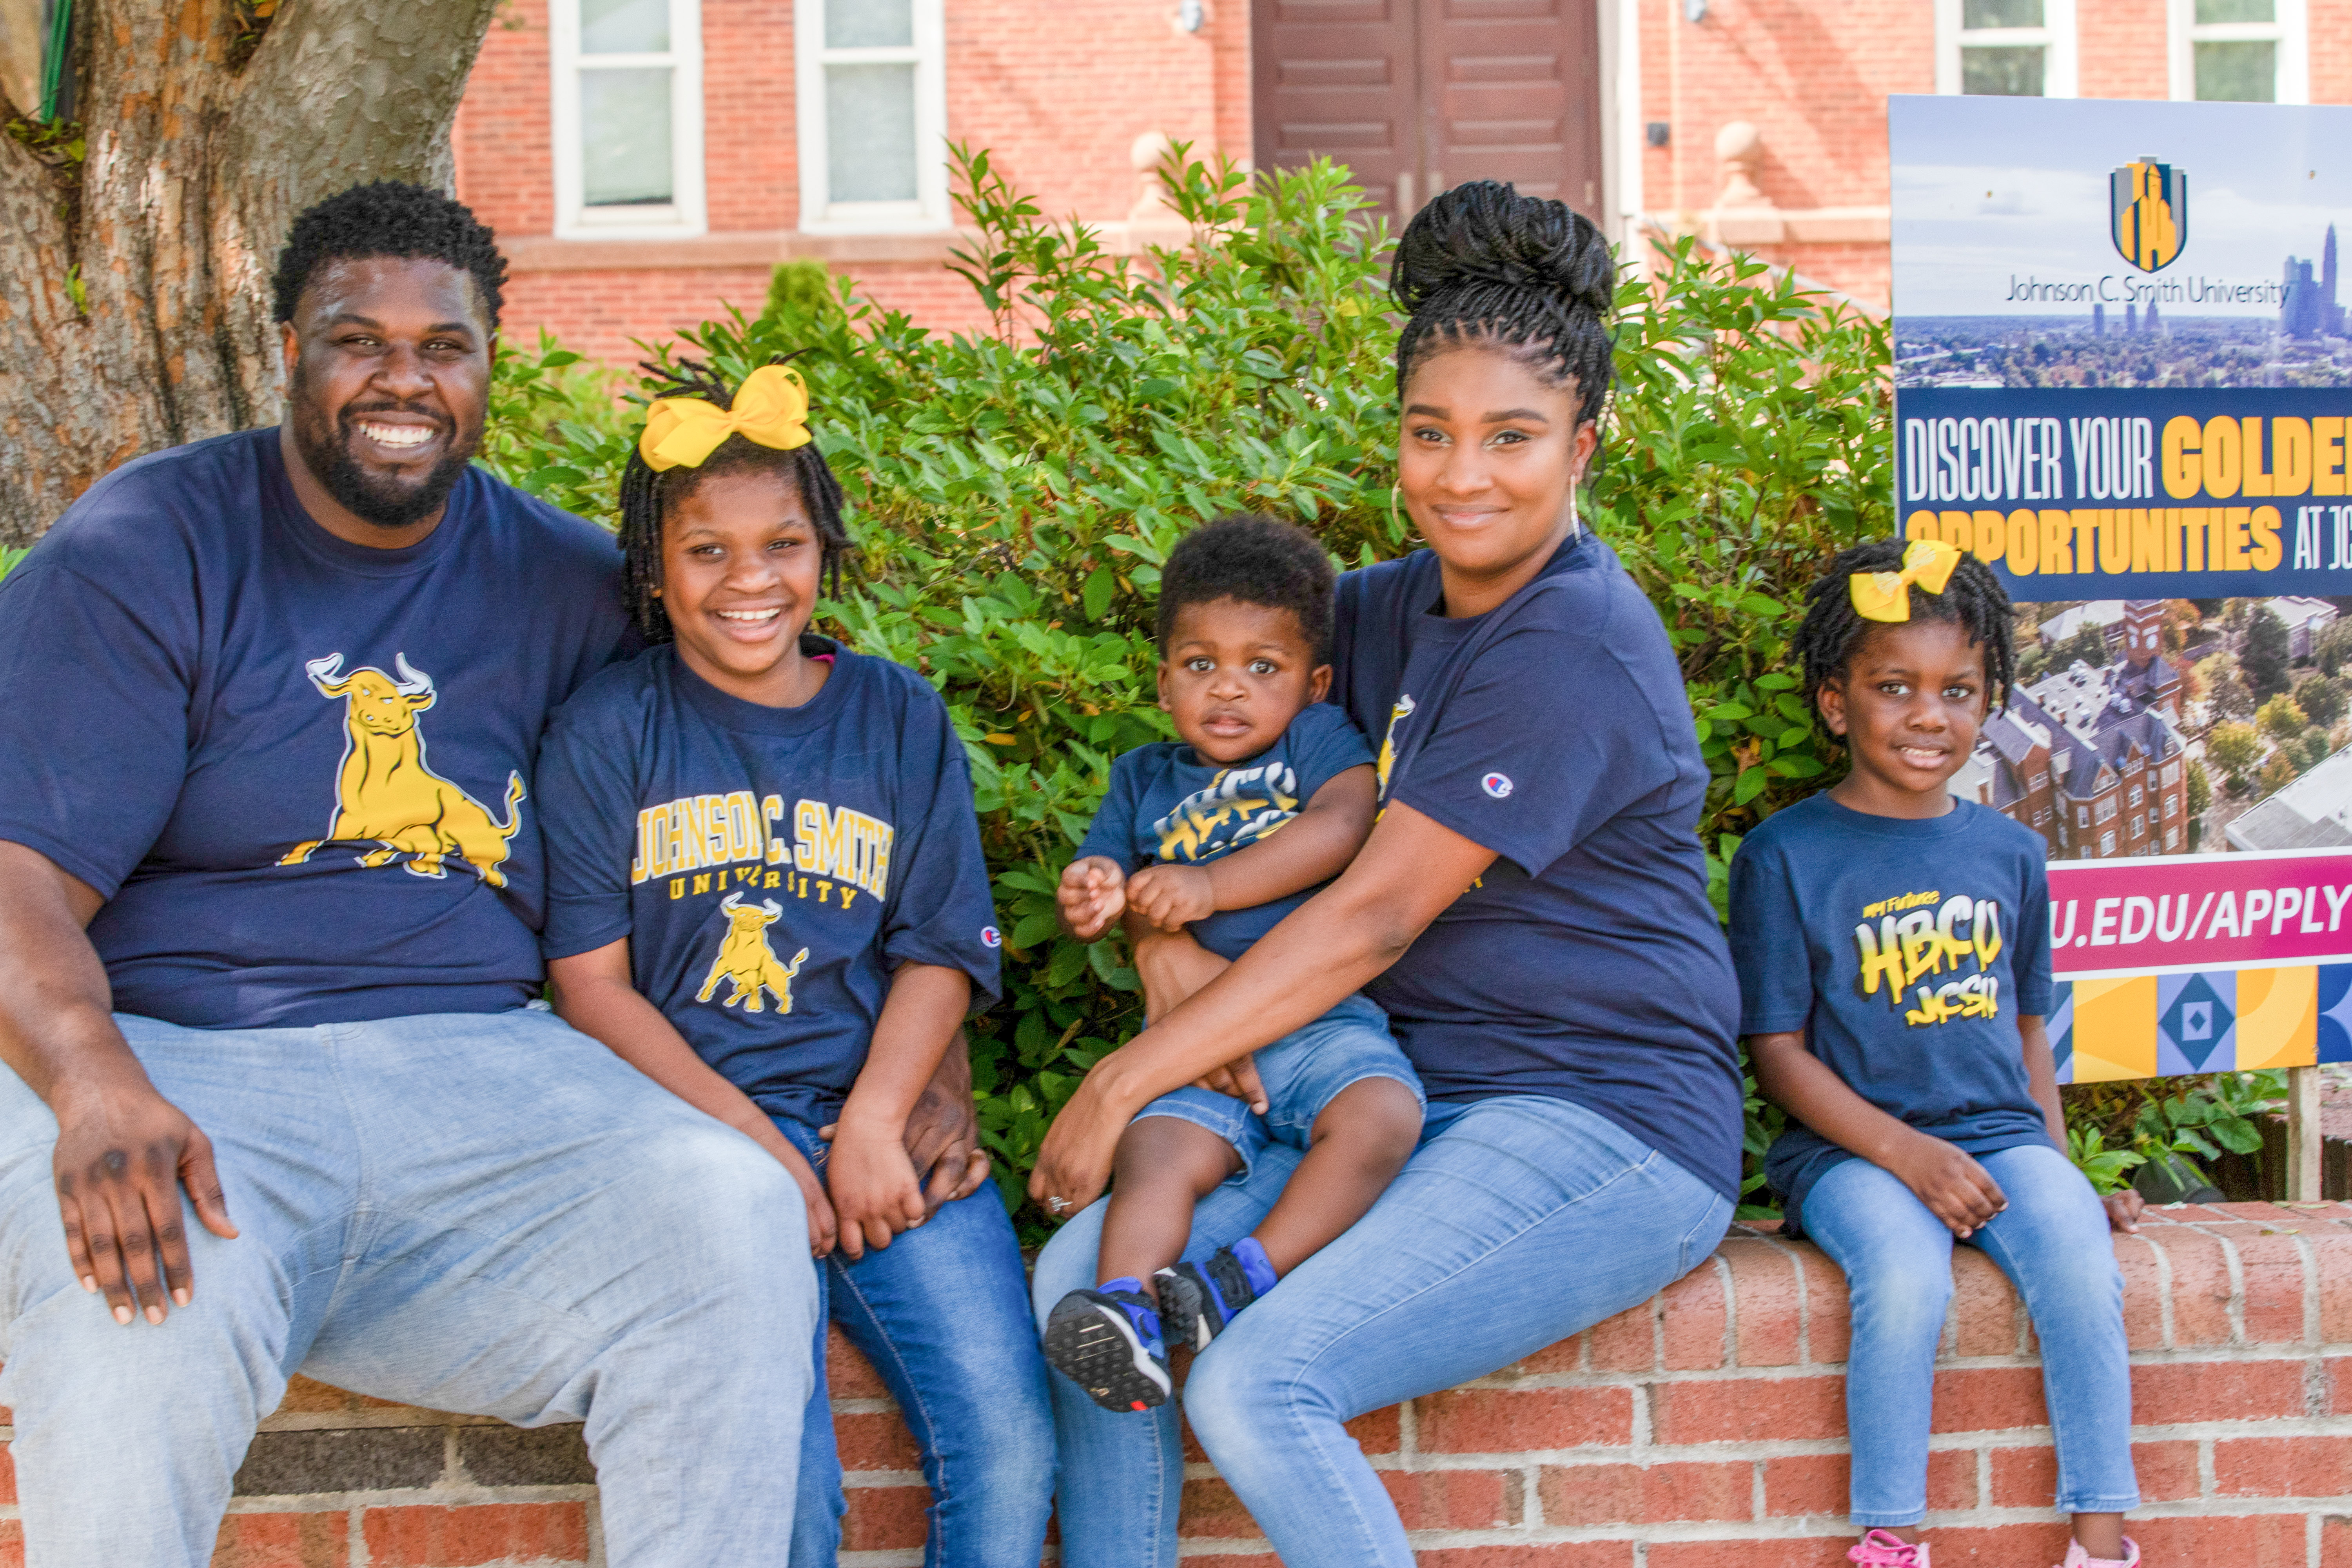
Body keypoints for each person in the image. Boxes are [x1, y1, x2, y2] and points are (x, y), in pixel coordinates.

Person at [0, 183, 985, 1568]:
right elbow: (19, 876)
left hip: (492, 1080)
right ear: (288, 348)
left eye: (442, 345)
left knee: (730, 1215)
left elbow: (778, 790)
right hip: (186, 1064)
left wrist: (925, 1061)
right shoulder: (149, 546)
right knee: (134, 1287)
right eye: (358, 340)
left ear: (487, 367)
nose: (403, 378)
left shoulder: (574, 583)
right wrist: (93, 1080)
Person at [1024, 181, 1746, 1567]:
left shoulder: (1571, 641)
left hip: (1605, 1120)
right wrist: (1161, 940)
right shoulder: (1385, 605)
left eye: (1512, 439)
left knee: (1256, 1380)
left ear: (1586, 445)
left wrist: (1127, 1074)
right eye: (1432, 434)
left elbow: (1372, 912)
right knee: (1082, 1291)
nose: (1462, 476)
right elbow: (1216, 765)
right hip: (1415, 1099)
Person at [533, 358, 1054, 1567]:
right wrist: (763, 1156)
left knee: (1008, 1438)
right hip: (696, 1145)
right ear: (654, 571)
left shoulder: (894, 715)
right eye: (706, 550)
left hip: (874, 1132)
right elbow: (591, 986)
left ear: (825, 549)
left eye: (784, 543)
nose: (750, 580)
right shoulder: (612, 729)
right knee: (783, 1494)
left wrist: (874, 1122)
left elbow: (937, 946)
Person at [1732, 537, 2145, 1568]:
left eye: (1959, 689)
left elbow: (2026, 1030)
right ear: (1838, 703)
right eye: (1894, 687)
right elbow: (1776, 1051)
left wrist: (2059, 1168)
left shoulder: (2012, 852)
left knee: (2081, 1267)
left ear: (1987, 700)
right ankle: (1893, 1539)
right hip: (1850, 1155)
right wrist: (1905, 1156)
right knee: (1907, 1280)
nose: (1929, 715)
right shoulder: (1786, 855)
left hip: (2002, 1138)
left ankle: (2101, 1543)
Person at [1043, 515, 1423, 1412]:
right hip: (1187, 1040)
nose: (1229, 688)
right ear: (1165, 677)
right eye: (1200, 663)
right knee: (1156, 1156)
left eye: (1264, 666)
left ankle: (1237, 1279)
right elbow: (1106, 876)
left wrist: (1208, 886)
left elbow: (1340, 829)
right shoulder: (1141, 776)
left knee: (1381, 1116)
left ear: (1313, 680)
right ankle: (1128, 1312)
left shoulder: (1319, 743)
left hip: (1316, 1017)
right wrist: (1096, 892)